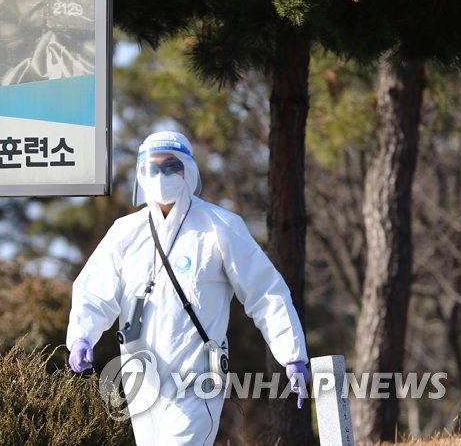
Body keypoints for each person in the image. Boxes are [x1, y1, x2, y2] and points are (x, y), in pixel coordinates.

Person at [66, 131, 311, 445]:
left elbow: (264, 291)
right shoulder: (125, 233)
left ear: (188, 170)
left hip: (197, 379)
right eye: (153, 168)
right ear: (141, 173)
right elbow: (95, 292)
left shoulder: (219, 226)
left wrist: (292, 353)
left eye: (171, 166)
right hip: (141, 378)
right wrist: (81, 336)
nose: (161, 175)